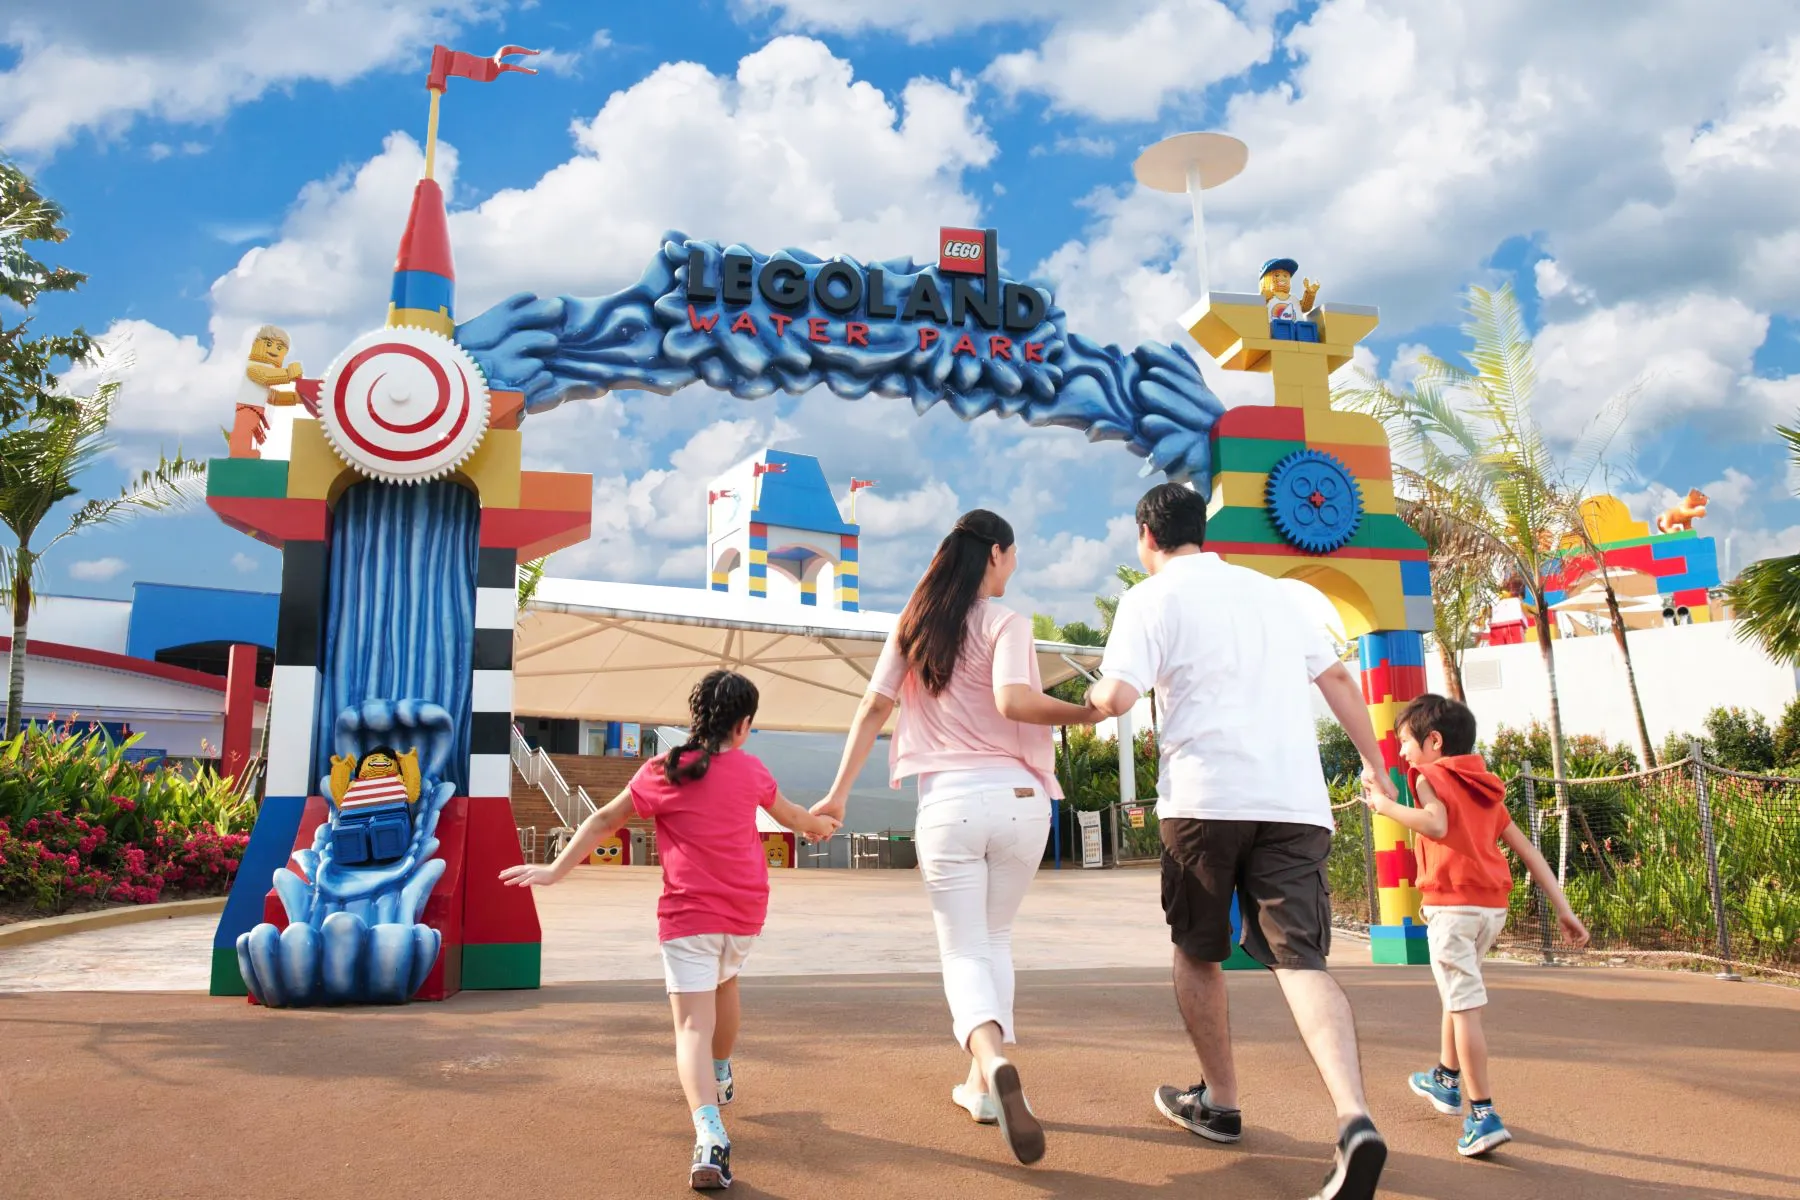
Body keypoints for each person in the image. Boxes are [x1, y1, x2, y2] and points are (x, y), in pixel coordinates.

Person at [1084, 482, 1394, 1200]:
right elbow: (1339, 678)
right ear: (1204, 530)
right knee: (1301, 960)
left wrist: (1090, 701)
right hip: (1294, 802)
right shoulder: (1276, 594)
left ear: (1146, 537)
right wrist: (1377, 765)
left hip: (1204, 800)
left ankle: (1220, 1103)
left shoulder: (1149, 598)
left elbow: (1120, 697)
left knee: (1197, 950)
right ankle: (1354, 1119)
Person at [811, 509, 1099, 1166]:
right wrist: (1086, 710)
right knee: (995, 941)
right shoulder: (1007, 622)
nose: (1016, 566)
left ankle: (990, 1060)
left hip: (951, 804)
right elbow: (1015, 702)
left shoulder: (913, 624)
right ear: (996, 554)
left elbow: (873, 709)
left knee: (966, 950)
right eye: (1015, 555)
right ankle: (983, 1086)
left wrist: (838, 792)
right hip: (1024, 801)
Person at [501, 670, 839, 1191]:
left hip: (687, 918)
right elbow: (794, 817)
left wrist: (554, 870)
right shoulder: (752, 771)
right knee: (727, 982)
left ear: (696, 717)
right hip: (745, 912)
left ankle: (709, 1134)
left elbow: (602, 821)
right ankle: (721, 1074)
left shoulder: (663, 770)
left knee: (690, 1030)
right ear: (744, 725)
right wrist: (823, 824)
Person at [1362, 693, 1590, 1158]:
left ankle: (1483, 1113)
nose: (1403, 752)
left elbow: (1435, 824)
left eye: (1406, 742)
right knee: (1457, 993)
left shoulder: (1429, 776)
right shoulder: (1485, 787)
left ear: (1434, 741)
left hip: (1453, 910)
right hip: (1490, 912)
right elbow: (1527, 851)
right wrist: (1563, 907)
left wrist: (1384, 808)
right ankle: (1446, 1080)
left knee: (1464, 1007)